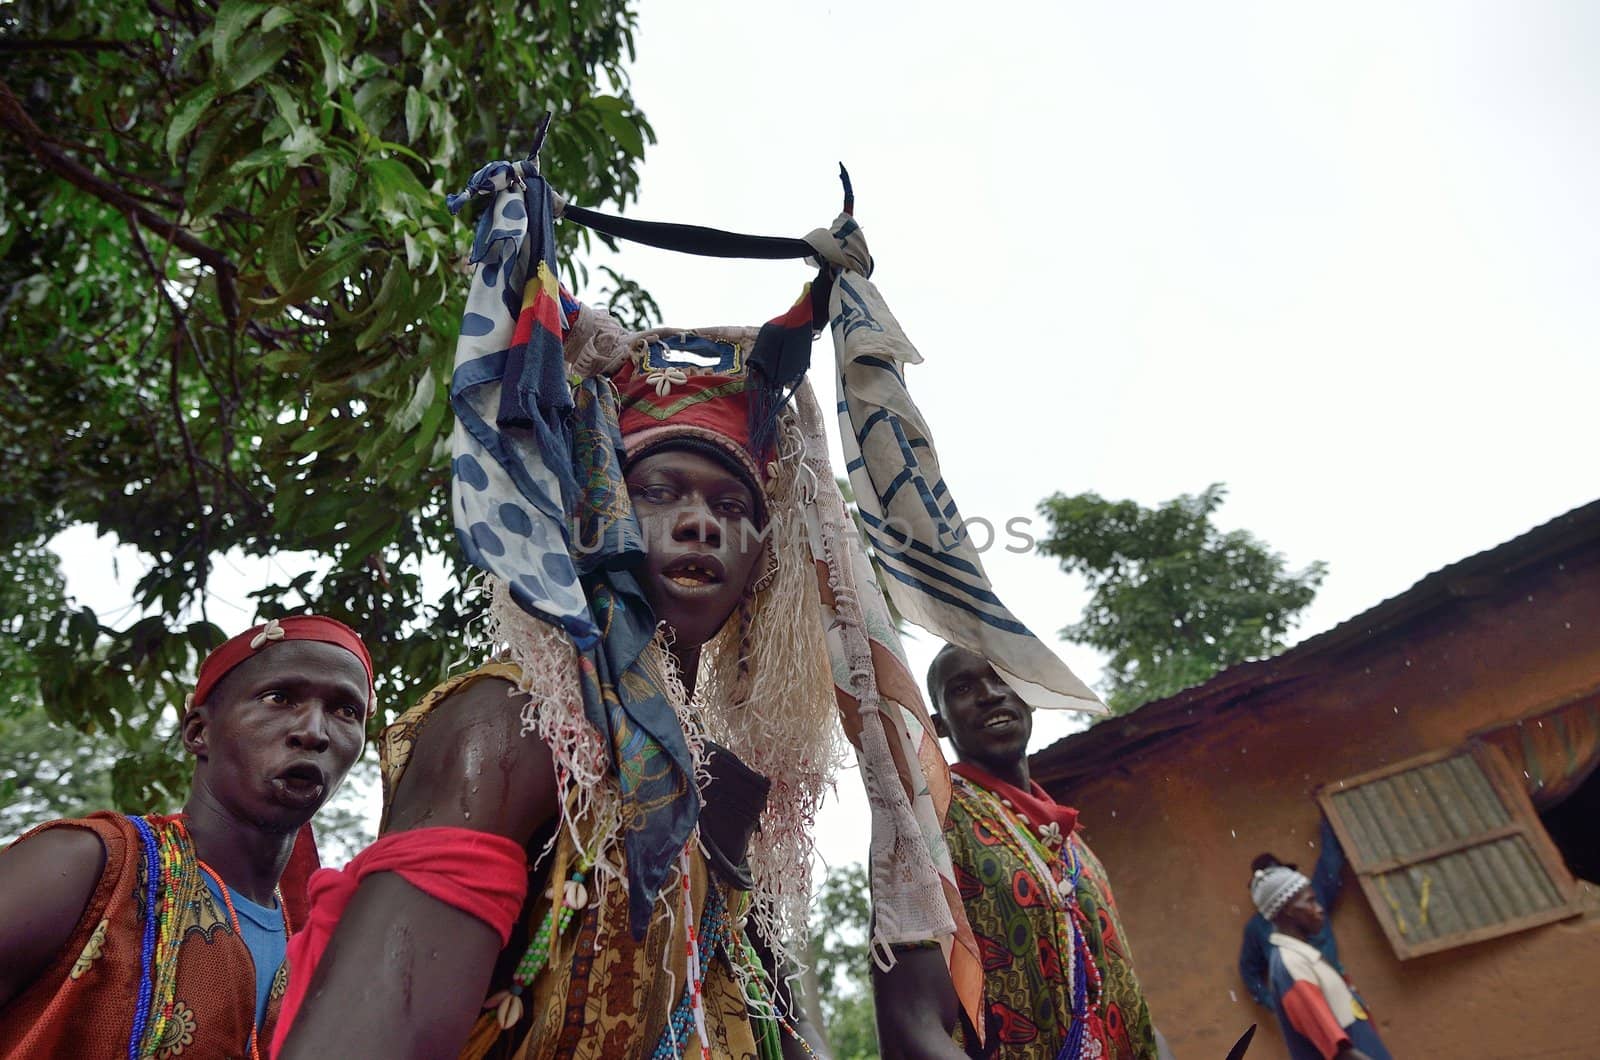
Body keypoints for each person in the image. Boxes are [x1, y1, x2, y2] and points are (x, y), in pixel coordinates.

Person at [274, 319, 844, 1060]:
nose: (701, 523)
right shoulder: (512, 723)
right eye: (659, 492)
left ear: (761, 560)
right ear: (591, 517)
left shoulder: (733, 787)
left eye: (732, 509)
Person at [0, 615, 372, 1060]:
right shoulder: (91, 866)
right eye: (279, 698)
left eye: (346, 711)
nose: (313, 731)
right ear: (199, 732)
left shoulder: (325, 946)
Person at [899, 642, 1160, 1060]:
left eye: (1003, 677)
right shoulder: (929, 827)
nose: (990, 694)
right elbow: (910, 1024)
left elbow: (1126, 1000)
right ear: (939, 724)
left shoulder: (1077, 851)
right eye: (963, 687)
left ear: (1029, 697)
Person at [1252, 866, 1389, 1060]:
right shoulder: (1290, 964)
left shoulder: (1301, 956)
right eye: (1310, 901)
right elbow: (1338, 1051)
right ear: (1289, 910)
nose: (1319, 908)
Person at [1239, 822, 1346, 1010]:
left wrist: (1327, 818)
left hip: (1339, 993)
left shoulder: (1315, 896)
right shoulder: (1257, 929)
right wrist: (1276, 1005)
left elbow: (1331, 862)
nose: (1316, 909)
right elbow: (1248, 971)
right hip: (1308, 1006)